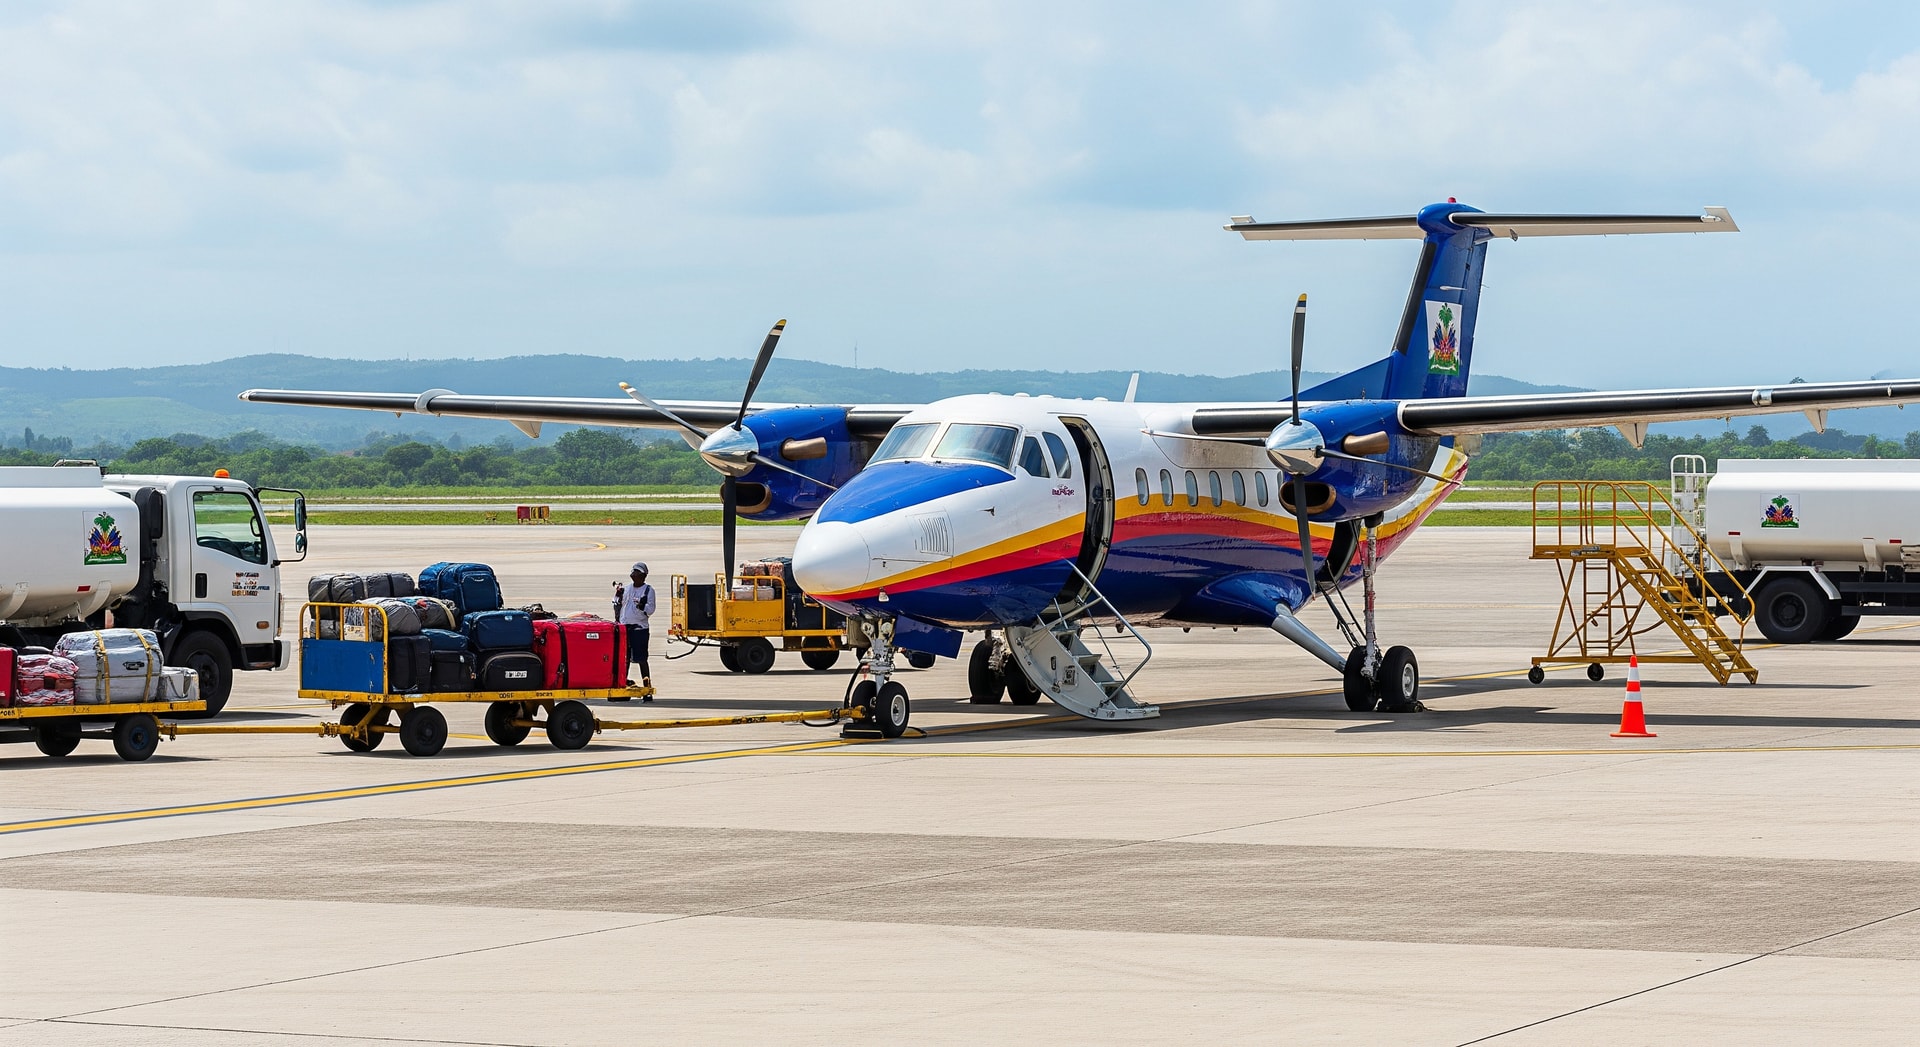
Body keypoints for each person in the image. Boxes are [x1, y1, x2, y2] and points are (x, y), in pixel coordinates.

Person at [614, 562, 655, 701]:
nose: (633, 574)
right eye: (633, 572)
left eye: (637, 572)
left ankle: (647, 689)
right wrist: (617, 596)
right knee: (624, 660)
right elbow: (617, 603)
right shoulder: (627, 589)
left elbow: (651, 610)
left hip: (640, 629)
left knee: (642, 660)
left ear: (643, 575)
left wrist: (643, 606)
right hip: (625, 628)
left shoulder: (648, 590)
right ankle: (623, 688)